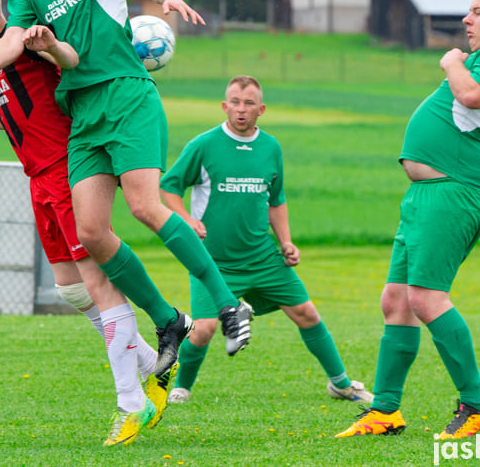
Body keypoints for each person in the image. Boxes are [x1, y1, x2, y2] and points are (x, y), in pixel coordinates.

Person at [0, 0, 254, 432]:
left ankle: (228, 303)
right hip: (82, 109)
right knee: (94, 232)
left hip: (125, 93)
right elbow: (12, 41)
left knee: (145, 206)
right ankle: (168, 322)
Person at [0, 0, 175, 446]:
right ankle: (152, 364)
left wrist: (51, 45)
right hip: (38, 179)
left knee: (99, 286)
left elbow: (67, 67)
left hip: (66, 172)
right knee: (71, 290)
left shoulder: (24, 44)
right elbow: (31, 110)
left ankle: (132, 402)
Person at [337, 0, 480, 440]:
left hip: (449, 194)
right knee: (397, 300)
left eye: (477, 12)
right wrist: (468, 153)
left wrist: (450, 62)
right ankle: (384, 411)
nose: (467, 20)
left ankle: (478, 405)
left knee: (425, 298)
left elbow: (473, 98)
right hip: (431, 194)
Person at [159, 75, 374, 406]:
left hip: (262, 257)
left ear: (261, 109)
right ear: (224, 106)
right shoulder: (204, 145)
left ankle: (341, 384)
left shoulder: (271, 147)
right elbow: (168, 187)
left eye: (248, 104)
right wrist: (187, 220)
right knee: (203, 330)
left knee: (306, 313)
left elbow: (276, 200)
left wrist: (286, 242)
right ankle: (181, 388)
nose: (241, 110)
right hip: (212, 262)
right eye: (234, 102)